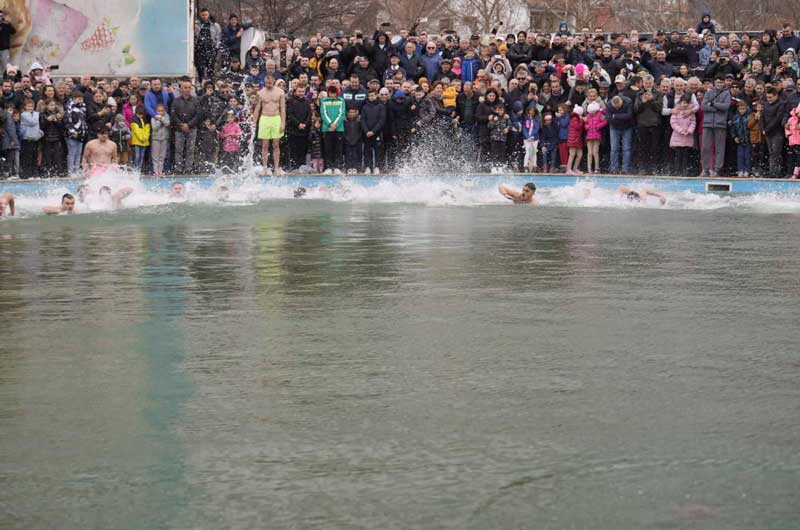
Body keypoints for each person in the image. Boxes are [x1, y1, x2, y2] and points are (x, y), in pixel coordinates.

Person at [253, 75, 286, 175]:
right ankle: (265, 168)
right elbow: (257, 108)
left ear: (273, 81)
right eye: (266, 83)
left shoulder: (280, 92)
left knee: (276, 144)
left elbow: (282, 108)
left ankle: (276, 168)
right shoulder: (260, 93)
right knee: (265, 145)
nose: (268, 84)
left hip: (276, 118)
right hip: (265, 118)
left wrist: (283, 123)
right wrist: (254, 122)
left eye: (270, 83)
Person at [171, 79, 202, 174]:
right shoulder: (176, 101)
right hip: (179, 129)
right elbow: (173, 115)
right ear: (181, 89)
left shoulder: (196, 101)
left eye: (189, 87)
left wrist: (189, 125)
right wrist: (181, 125)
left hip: (192, 128)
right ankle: (178, 168)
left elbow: (198, 115)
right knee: (178, 150)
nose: (187, 89)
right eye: (185, 87)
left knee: (190, 150)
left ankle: (188, 168)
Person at [150, 103, 171, 177]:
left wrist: (161, 118)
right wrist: (158, 120)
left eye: (162, 111)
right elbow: (154, 128)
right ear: (156, 111)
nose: (160, 112)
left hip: (164, 138)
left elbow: (167, 123)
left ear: (164, 111)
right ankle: (155, 171)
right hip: (156, 138)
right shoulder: (153, 117)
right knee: (155, 156)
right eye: (159, 111)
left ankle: (160, 171)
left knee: (162, 156)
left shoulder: (166, 116)